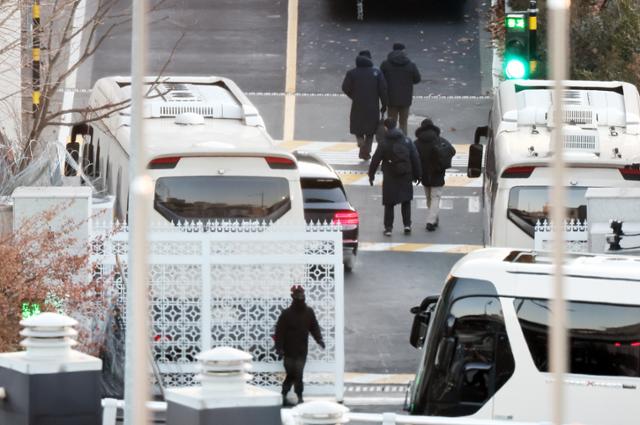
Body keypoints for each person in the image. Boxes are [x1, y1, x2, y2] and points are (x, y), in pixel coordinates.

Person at [368, 118, 421, 236]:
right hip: (405, 174)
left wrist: (371, 175)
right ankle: (407, 225)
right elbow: (415, 158)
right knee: (406, 201)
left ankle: (388, 228)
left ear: (386, 128)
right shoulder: (407, 141)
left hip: (390, 175)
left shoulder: (384, 142)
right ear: (396, 126)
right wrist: (418, 175)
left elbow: (375, 160)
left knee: (389, 203)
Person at [274, 285, 325, 406]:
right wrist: (279, 349)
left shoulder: (309, 312)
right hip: (289, 351)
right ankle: (285, 394)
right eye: (297, 295)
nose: (300, 297)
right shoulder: (286, 314)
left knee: (299, 374)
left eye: (302, 295)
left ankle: (299, 396)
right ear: (293, 297)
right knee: (291, 374)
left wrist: (319, 339)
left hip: (302, 351)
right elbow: (279, 332)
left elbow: (314, 327)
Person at [342, 50, 388, 160]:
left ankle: (360, 141)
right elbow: (383, 89)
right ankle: (365, 152)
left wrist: (353, 96)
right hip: (372, 105)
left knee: (358, 126)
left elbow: (345, 88)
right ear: (370, 59)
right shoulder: (376, 73)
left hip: (357, 104)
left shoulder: (352, 73)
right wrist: (384, 104)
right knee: (370, 131)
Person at [414, 118, 456, 231]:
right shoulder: (440, 140)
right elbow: (452, 150)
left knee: (429, 198)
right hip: (438, 173)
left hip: (424, 174)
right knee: (435, 197)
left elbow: (413, 158)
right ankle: (432, 220)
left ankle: (432, 218)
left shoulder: (417, 143)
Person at [380, 43, 421, 135]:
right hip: (405, 99)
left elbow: (380, 79)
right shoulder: (411, 64)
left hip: (391, 99)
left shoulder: (385, 64)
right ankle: (403, 142)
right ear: (403, 50)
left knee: (391, 123)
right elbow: (417, 79)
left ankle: (391, 142)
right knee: (403, 123)